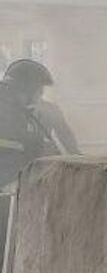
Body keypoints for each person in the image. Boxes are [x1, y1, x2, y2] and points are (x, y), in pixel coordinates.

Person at [0, 59, 66, 189]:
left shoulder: (17, 111)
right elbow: (10, 151)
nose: (40, 96)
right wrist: (38, 150)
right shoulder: (6, 112)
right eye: (39, 91)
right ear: (26, 90)